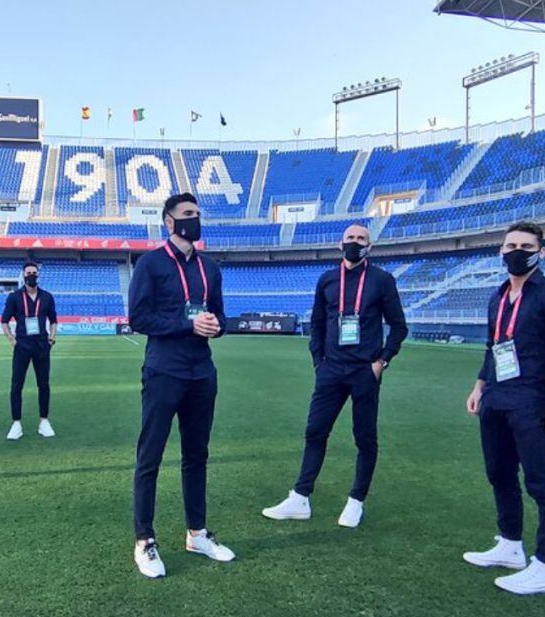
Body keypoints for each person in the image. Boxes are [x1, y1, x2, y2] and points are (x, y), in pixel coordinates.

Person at [463, 222, 545, 595]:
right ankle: (510, 544)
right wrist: (480, 386)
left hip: (532, 399)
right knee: (499, 474)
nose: (517, 250)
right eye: (510, 244)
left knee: (542, 482)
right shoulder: (498, 296)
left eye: (525, 245)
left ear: (541, 252)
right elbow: (492, 346)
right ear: (501, 251)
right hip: (496, 397)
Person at [262, 224, 408, 528]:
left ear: (370, 246)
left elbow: (399, 326)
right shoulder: (327, 279)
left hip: (365, 371)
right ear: (340, 244)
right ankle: (300, 497)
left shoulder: (382, 280)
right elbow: (316, 322)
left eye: (361, 239)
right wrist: (318, 361)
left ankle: (356, 501)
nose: (355, 243)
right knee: (315, 431)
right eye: (350, 238)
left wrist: (382, 361)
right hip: (331, 370)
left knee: (364, 438)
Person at [127, 192, 235, 579]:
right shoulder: (151, 264)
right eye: (187, 214)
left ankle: (197, 533)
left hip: (202, 372)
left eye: (198, 214)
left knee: (197, 455)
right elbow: (138, 318)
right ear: (169, 222)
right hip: (163, 371)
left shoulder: (210, 267)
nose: (194, 219)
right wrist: (187, 324)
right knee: (150, 457)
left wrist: (215, 326)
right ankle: (144, 540)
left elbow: (220, 316)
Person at [1, 261, 57, 440]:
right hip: (22, 345)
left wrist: (52, 338)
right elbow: (4, 321)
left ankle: (44, 421)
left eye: (34, 272)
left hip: (42, 345)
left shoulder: (47, 297)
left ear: (38, 275)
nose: (31, 275)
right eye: (28, 273)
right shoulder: (14, 297)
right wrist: (12, 340)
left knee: (44, 384)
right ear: (23, 275)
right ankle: (16, 423)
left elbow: (54, 320)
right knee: (17, 384)